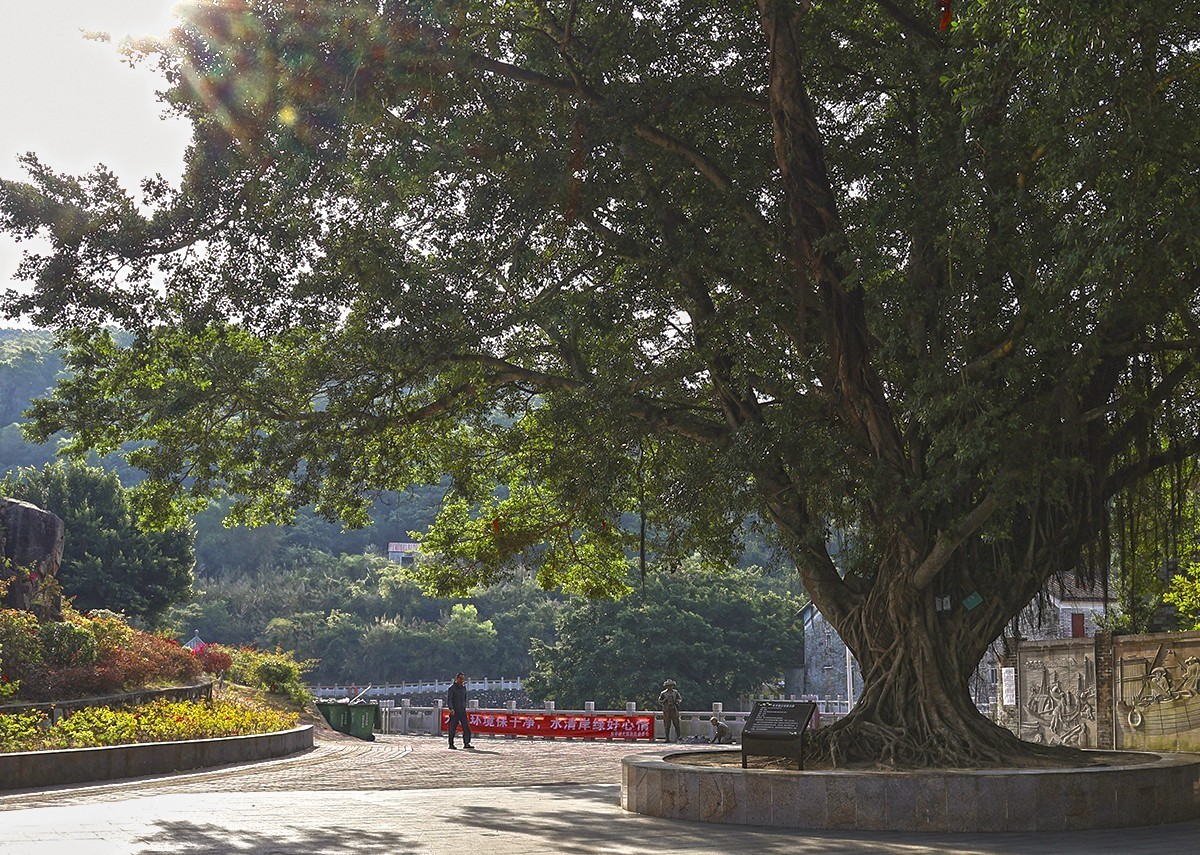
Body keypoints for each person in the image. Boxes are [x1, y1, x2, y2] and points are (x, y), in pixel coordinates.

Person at [446, 672, 473, 749]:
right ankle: (451, 744)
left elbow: (464, 699)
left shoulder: (463, 688)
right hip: (454, 712)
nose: (462, 680)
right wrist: (451, 708)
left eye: (463, 679)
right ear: (456, 679)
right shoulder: (452, 689)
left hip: (462, 711)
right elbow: (449, 700)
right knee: (452, 729)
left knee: (466, 728)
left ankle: (466, 743)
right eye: (460, 679)